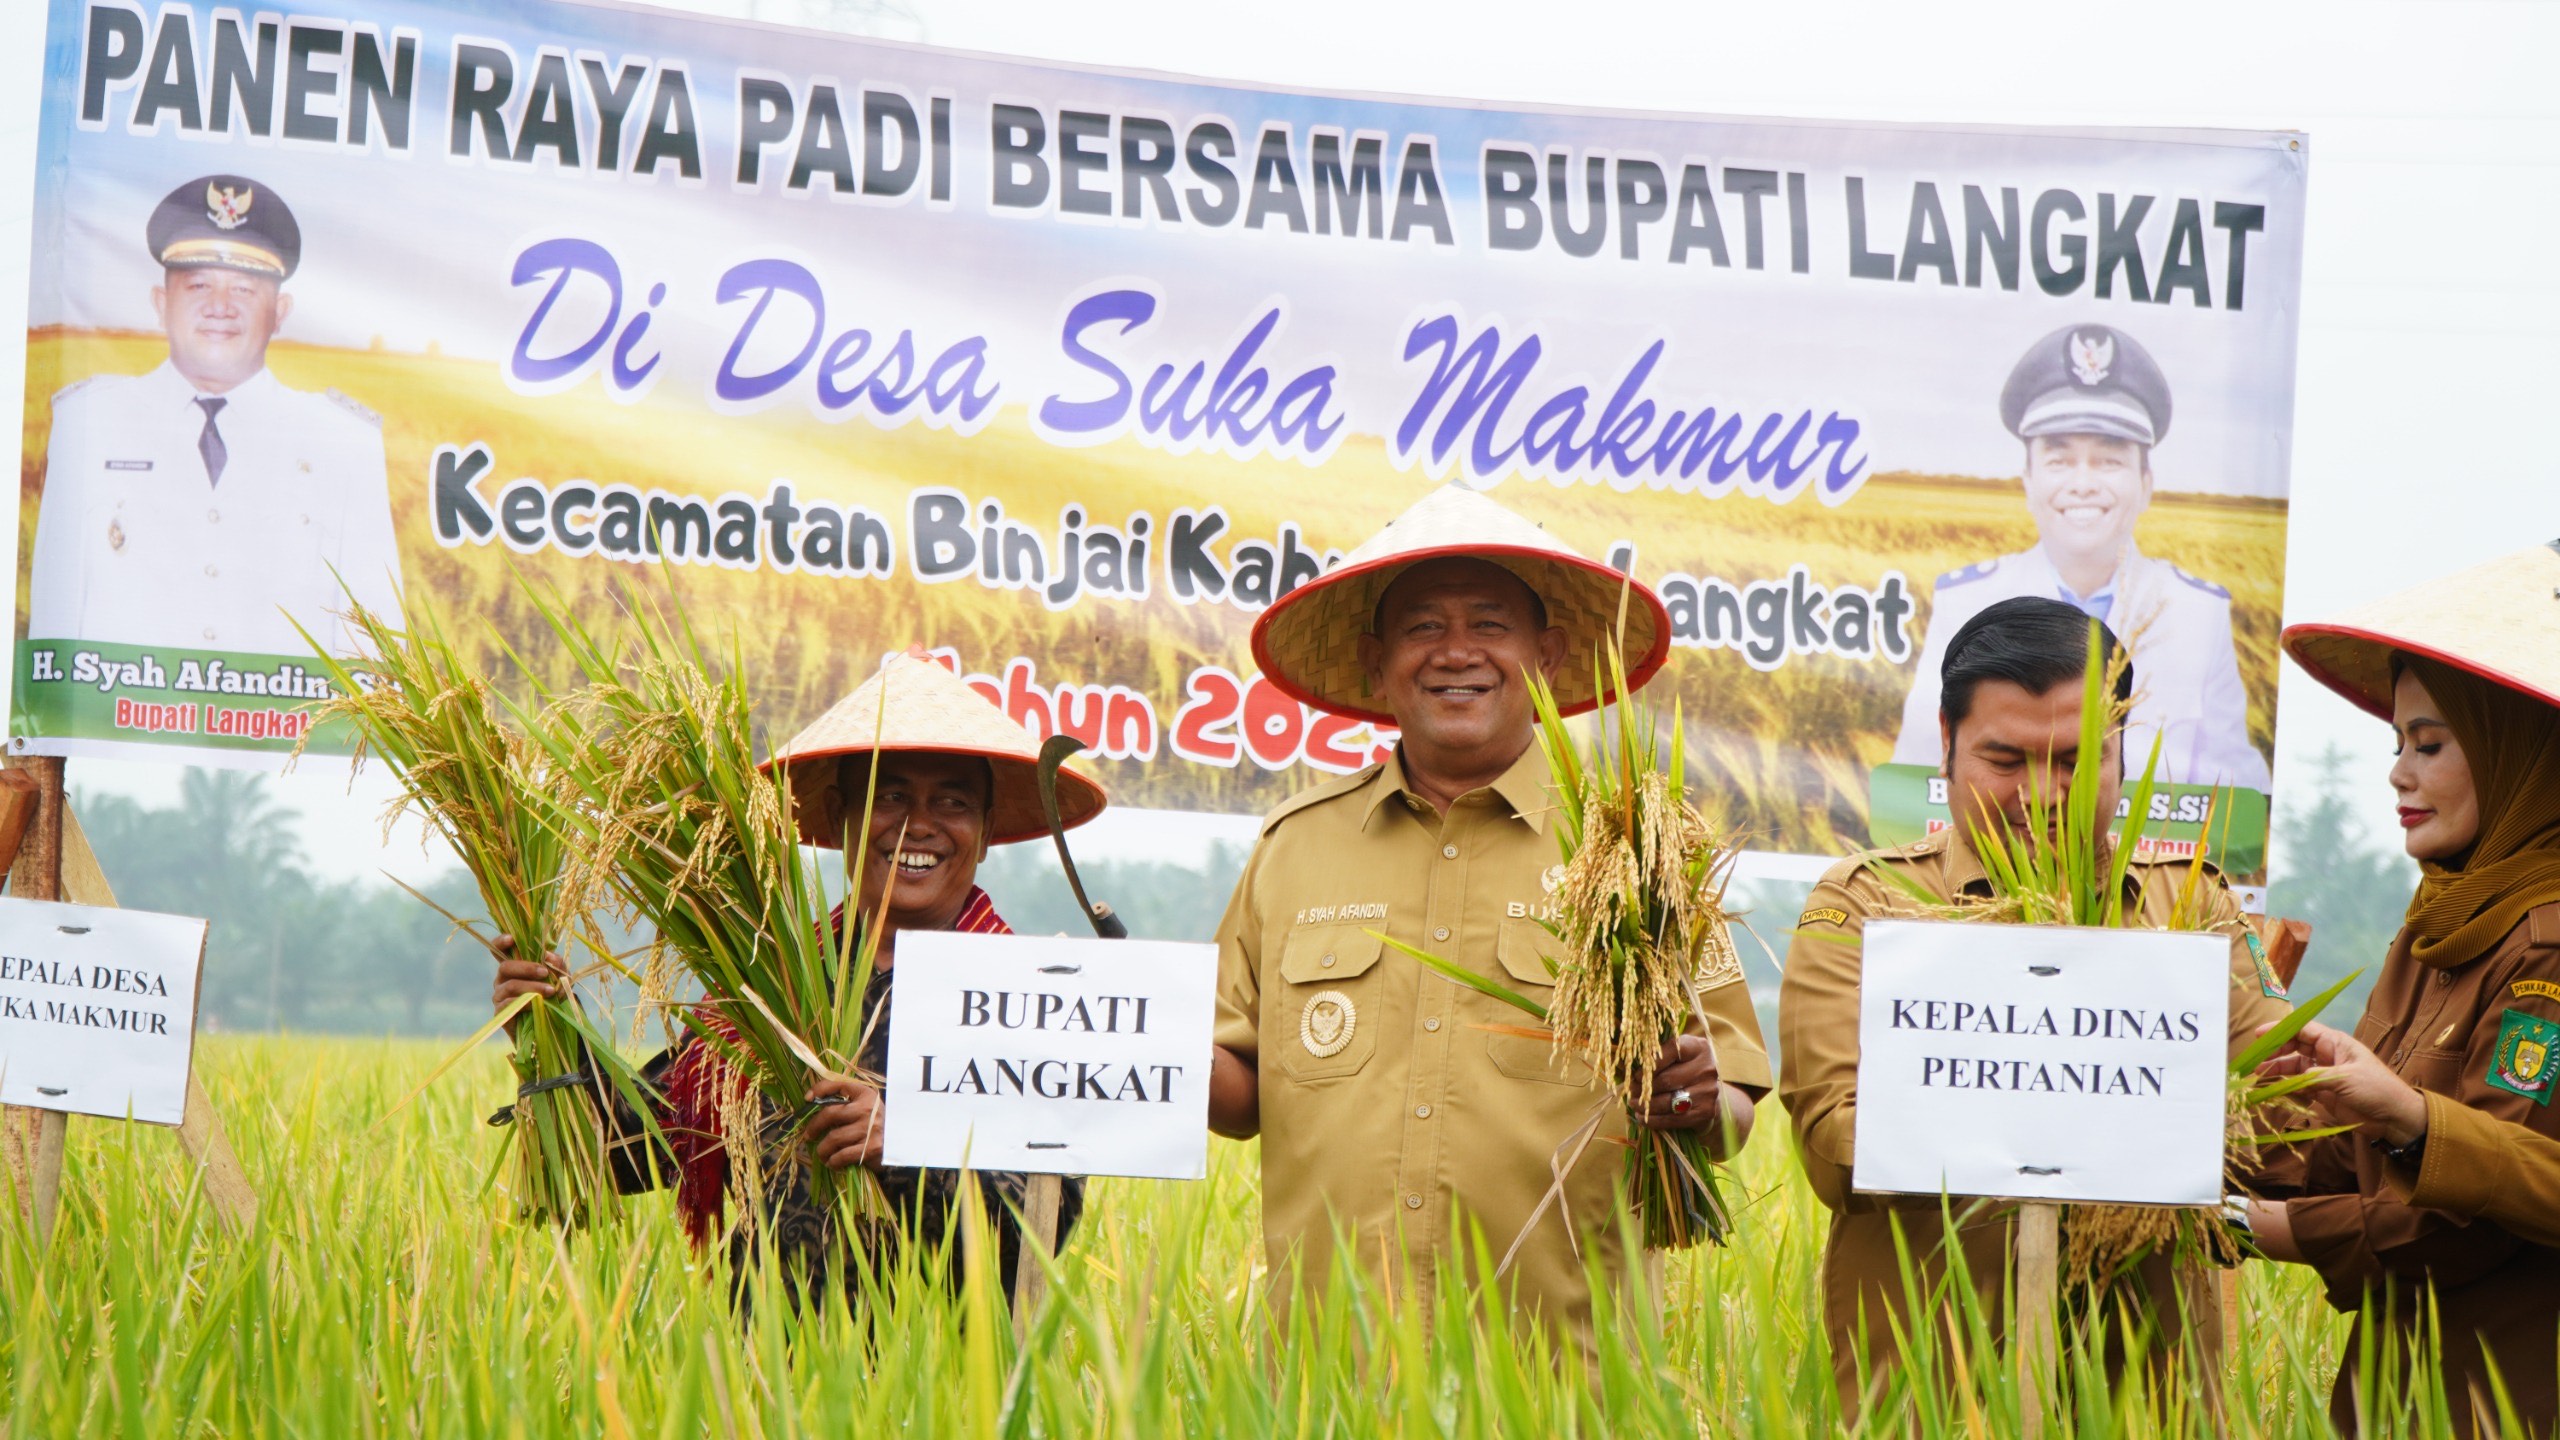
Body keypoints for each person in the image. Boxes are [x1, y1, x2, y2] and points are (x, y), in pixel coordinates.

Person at [1209, 483, 1772, 1343]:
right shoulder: (1292, 849)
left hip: (1565, 1373)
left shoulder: (1634, 846)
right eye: (1424, 627)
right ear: (1376, 658)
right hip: (1330, 1374)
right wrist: (1126, 1029)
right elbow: (1238, 1098)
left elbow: (1731, 1108)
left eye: (1489, 626)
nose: (1455, 653)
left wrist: (1698, 1096)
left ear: (1545, 654)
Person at [1783, 595, 2296, 1415]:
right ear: (1946, 746)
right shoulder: (1870, 908)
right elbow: (1835, 1146)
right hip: (1926, 1397)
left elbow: (2279, 1119)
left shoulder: (2189, 908)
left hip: (2144, 1400)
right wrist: (2073, 1111)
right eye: (2006, 760)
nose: (2044, 796)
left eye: (2077, 760)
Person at [491, 650, 1108, 1305]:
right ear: (841, 813)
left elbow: (1041, 1232)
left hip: (951, 1382)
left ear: (984, 832)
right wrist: (551, 1020)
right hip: (769, 1381)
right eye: (890, 795)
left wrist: (904, 1145)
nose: (919, 825)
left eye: (952, 801)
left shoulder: (1030, 1002)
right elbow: (621, 1151)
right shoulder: (766, 993)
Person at [2246, 541, 2560, 1434]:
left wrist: (2274, 1230)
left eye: (2431, 743)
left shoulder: (2547, 947)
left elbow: (2482, 1215)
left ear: (2519, 753)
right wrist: (2209, 1138)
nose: (2398, 771)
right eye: (2397, 743)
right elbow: (2360, 1142)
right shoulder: (2442, 922)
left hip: (2504, 1398)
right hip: (2397, 1390)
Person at [25, 172, 401, 659]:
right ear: (161, 304)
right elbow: (53, 638)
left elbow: (375, 655)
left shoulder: (344, 443)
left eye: (245, 289)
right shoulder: (89, 425)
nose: (220, 307)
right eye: (198, 284)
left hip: (285, 735)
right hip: (124, 731)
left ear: (280, 311)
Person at [1891, 324, 2269, 793]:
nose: (2084, 482)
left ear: (2146, 482)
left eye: (2109, 460)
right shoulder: (1966, 600)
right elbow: (1914, 778)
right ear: (2028, 479)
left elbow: (2240, 798)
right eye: (2059, 460)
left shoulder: (2199, 614)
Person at [2262, 1019, 2560, 1251]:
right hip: (2392, 1319)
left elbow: (2465, 1218)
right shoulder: (2413, 948)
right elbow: (2350, 1157)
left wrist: (2244, 1222)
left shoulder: (2542, 956)